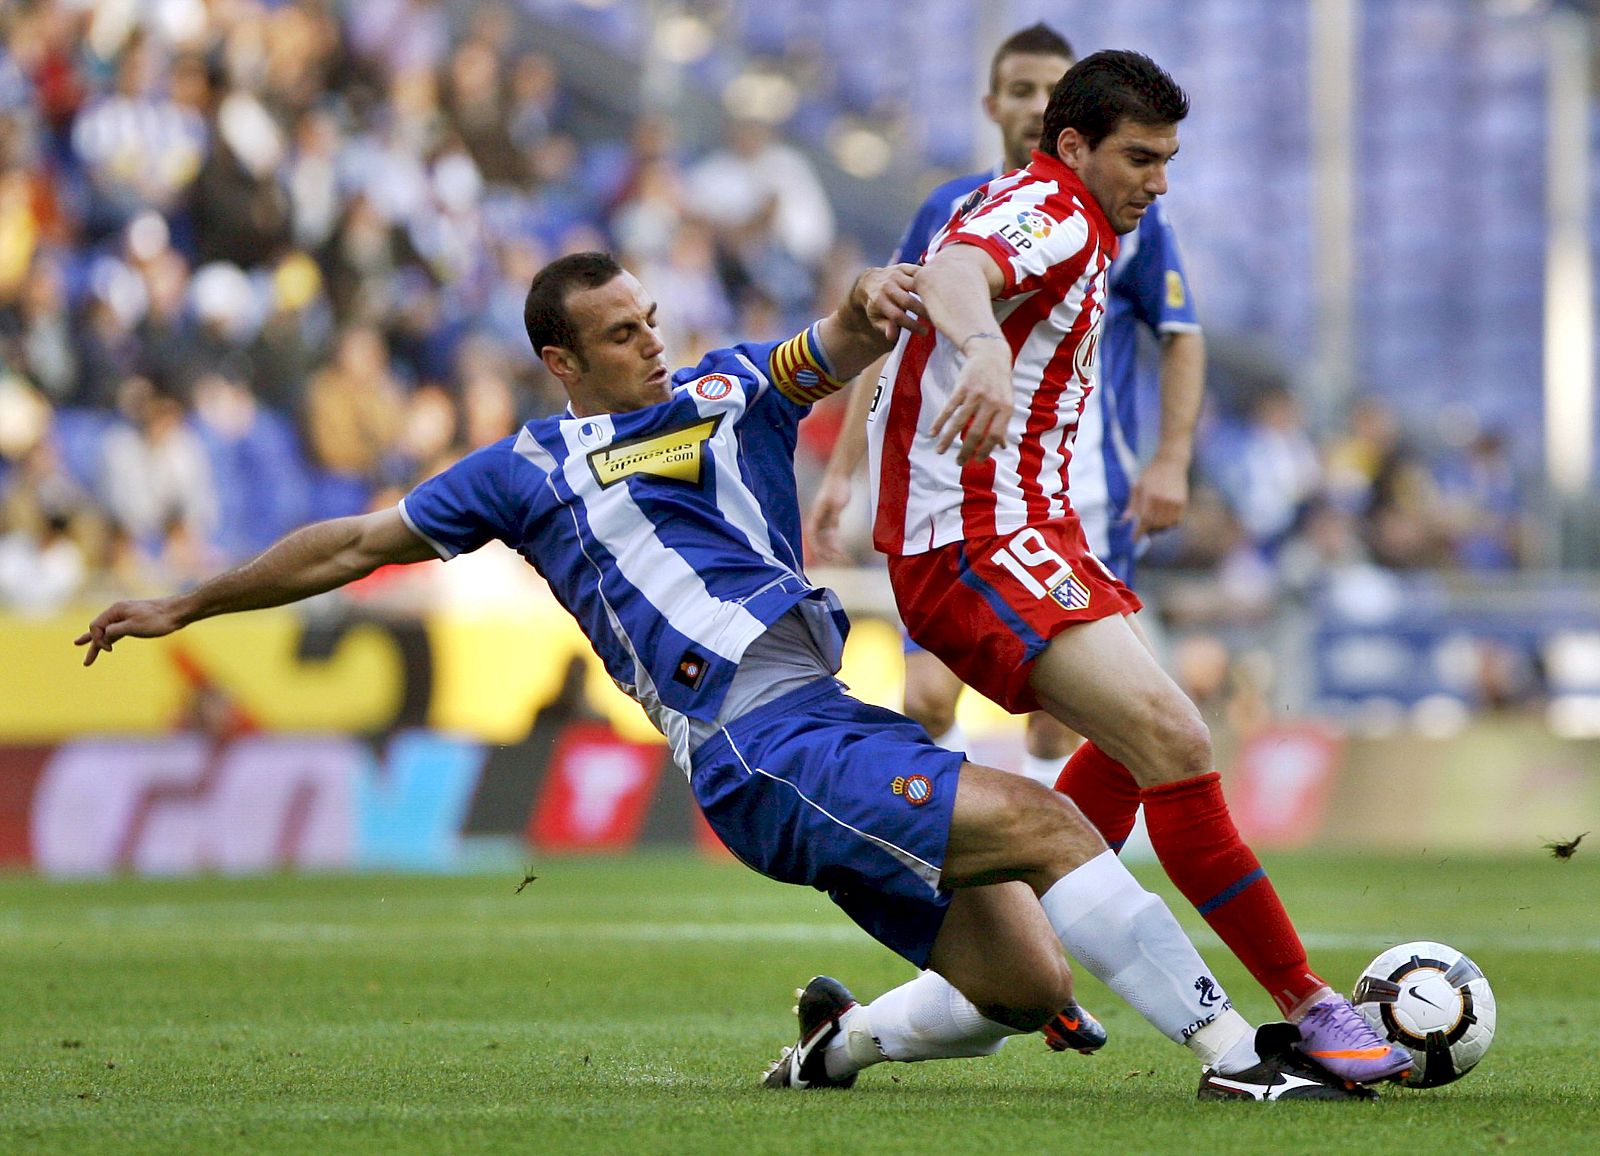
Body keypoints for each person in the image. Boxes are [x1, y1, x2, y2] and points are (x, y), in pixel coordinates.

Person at [77, 251, 1368, 1101]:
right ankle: (1239, 1054)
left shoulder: (728, 387)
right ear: (562, 364)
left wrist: (870, 299)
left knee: (1028, 990)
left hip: (823, 717)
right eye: (619, 334)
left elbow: (835, 339)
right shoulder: (520, 472)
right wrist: (187, 603)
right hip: (754, 741)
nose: (651, 342)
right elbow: (356, 544)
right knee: (1047, 824)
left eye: (650, 319)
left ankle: (838, 1043)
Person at [865, 50, 1410, 1085]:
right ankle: (1303, 1008)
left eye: (1168, 161)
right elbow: (956, 273)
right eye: (1140, 159)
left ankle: (1009, 953)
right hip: (975, 541)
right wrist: (981, 347)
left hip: (1032, 532)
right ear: (1073, 146)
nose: (1158, 183)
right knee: (1175, 735)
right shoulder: (1054, 211)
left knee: (1130, 747)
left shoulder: (1071, 212)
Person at [810, 22, 1207, 796]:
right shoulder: (954, 207)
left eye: (1051, 89)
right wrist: (842, 471)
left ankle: (1054, 856)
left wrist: (1170, 458)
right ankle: (985, 843)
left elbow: (1181, 335)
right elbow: (893, 330)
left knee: (1073, 720)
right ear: (992, 105)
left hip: (1078, 493)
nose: (1035, 105)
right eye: (1021, 90)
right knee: (928, 697)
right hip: (956, 497)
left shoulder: (1131, 212)